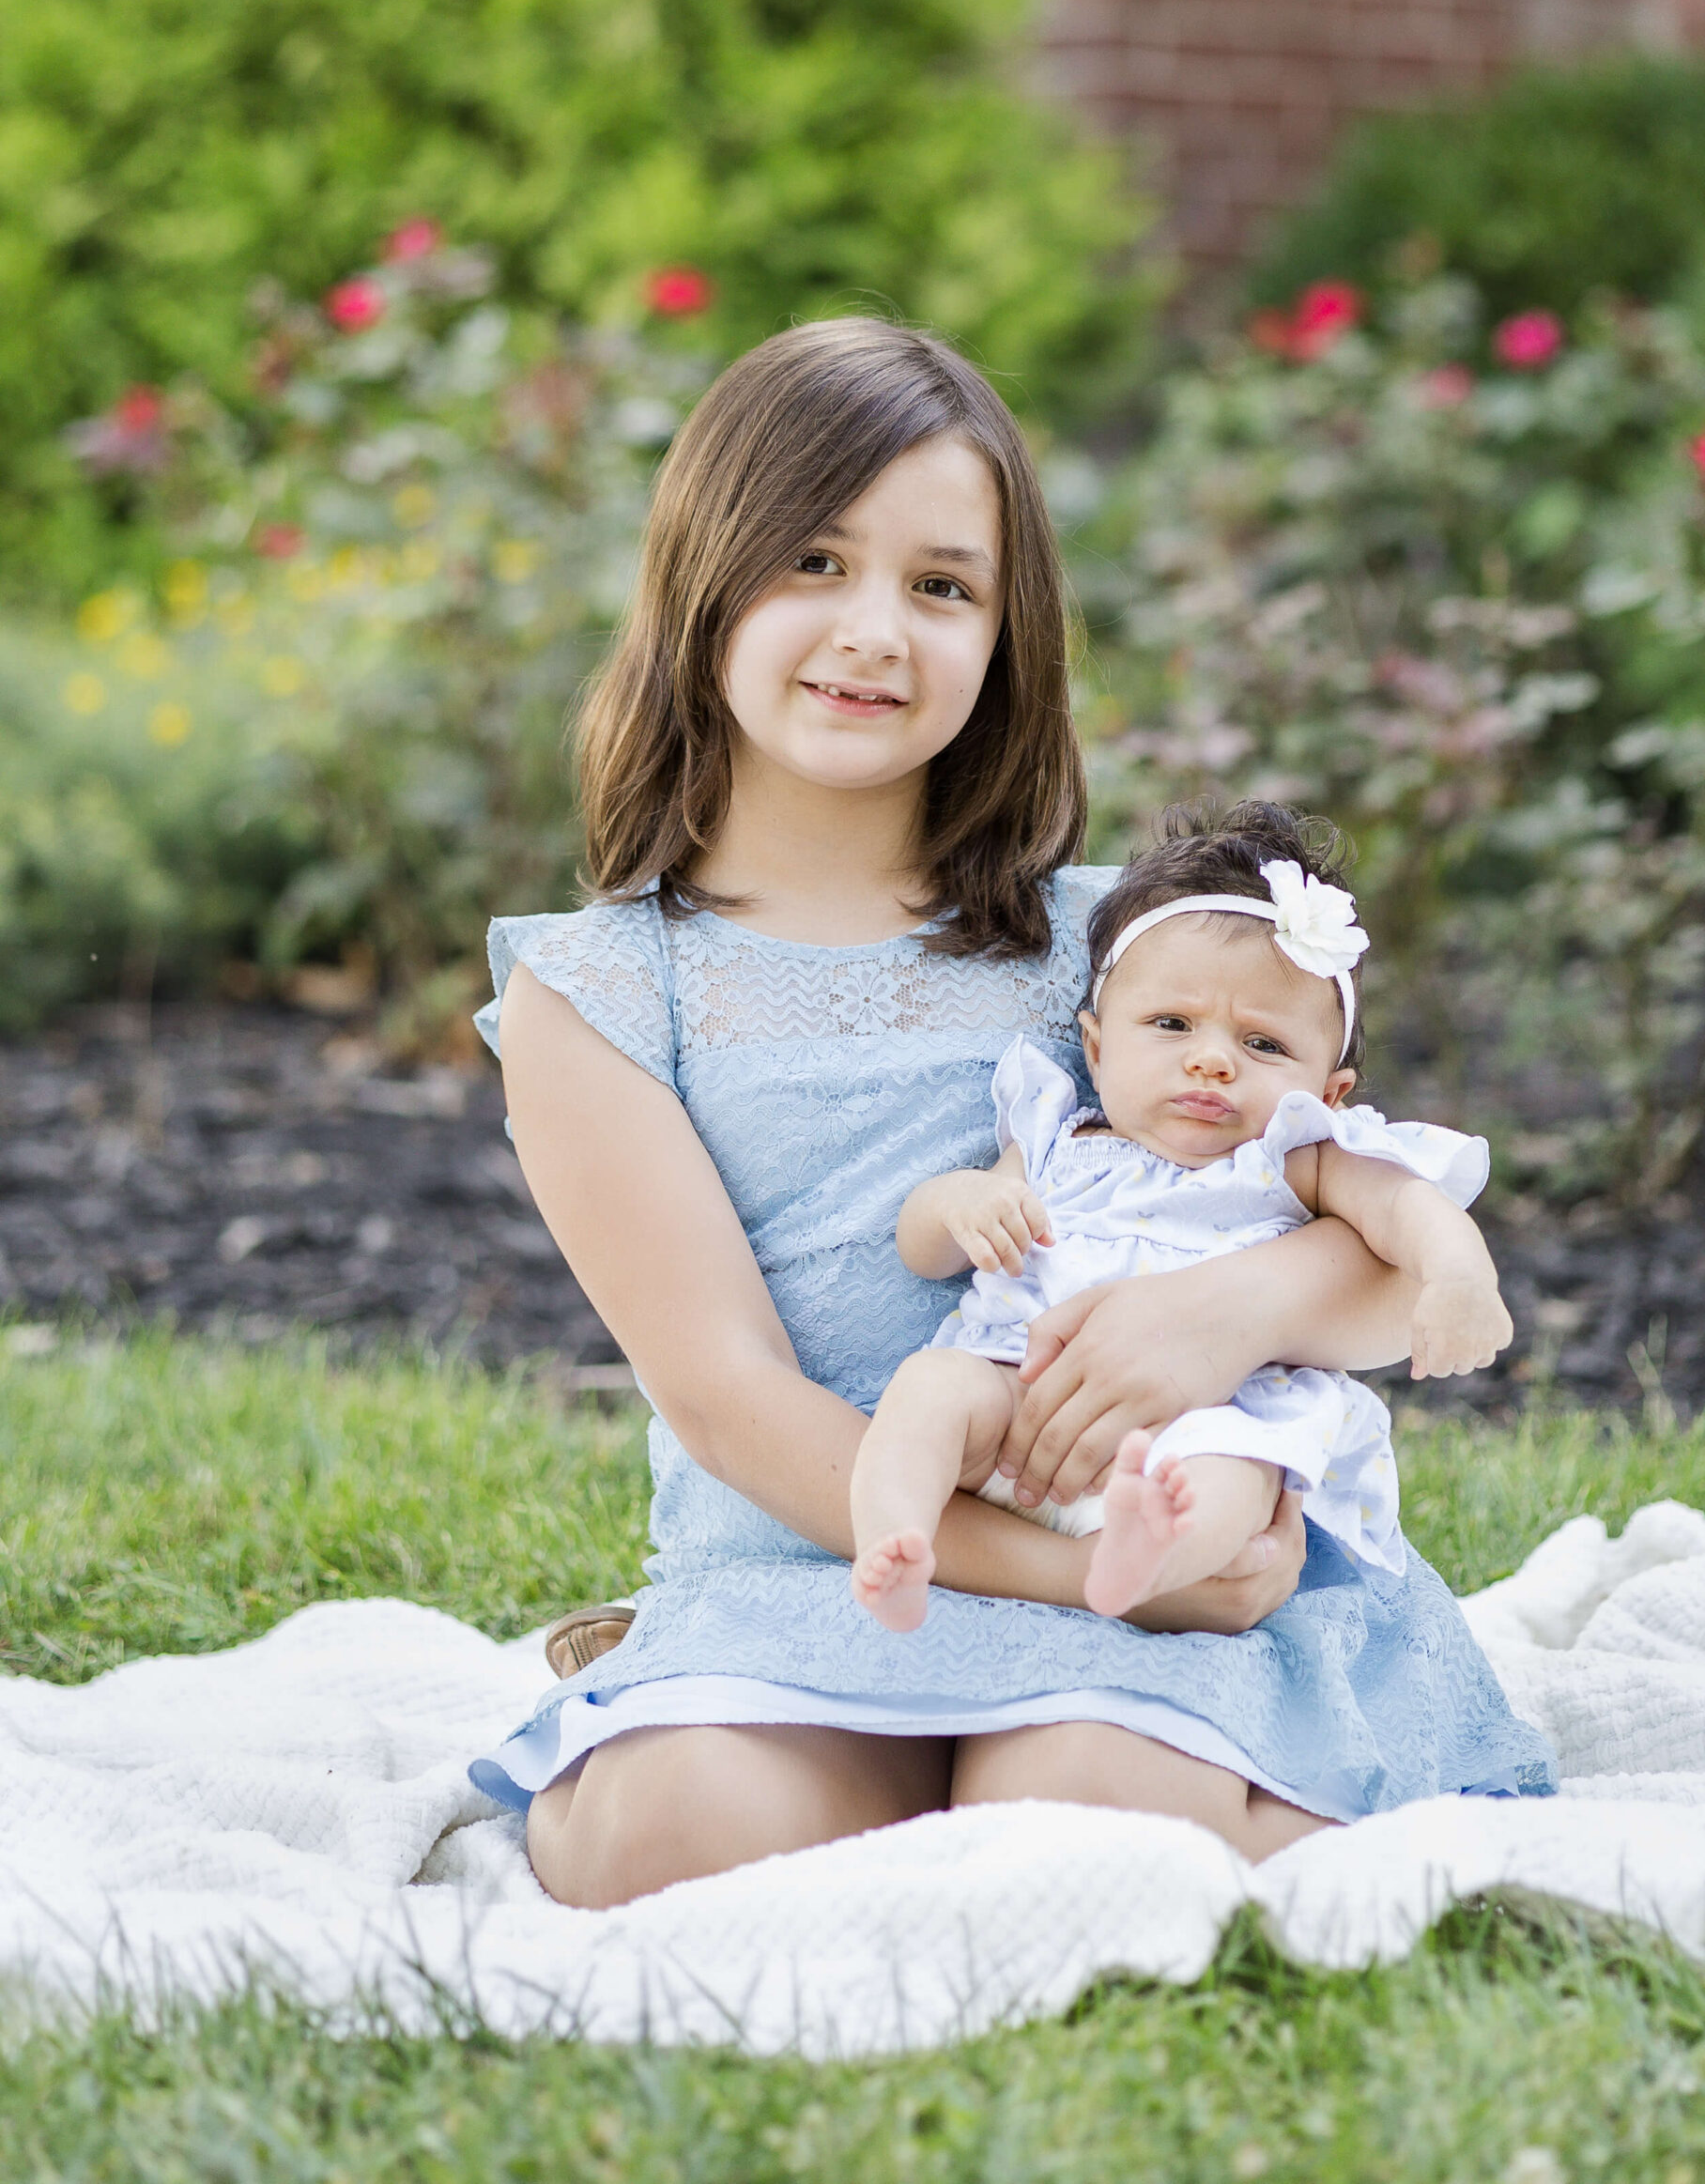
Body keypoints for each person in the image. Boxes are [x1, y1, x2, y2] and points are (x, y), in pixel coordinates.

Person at [467, 316, 1556, 1910]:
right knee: (675, 1836)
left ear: (1005, 630)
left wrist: (1217, 1315)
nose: (872, 631)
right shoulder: (604, 993)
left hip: (1166, 1537)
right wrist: (1082, 1583)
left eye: (939, 585)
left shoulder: (1114, 950)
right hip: (824, 1557)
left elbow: (1375, 1244)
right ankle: (679, 1721)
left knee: (1087, 1823)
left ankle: (1242, 1771)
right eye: (813, 563)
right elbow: (728, 1400)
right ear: (705, 582)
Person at [850, 806, 1509, 1633]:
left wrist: (1459, 1274)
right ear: (1096, 1049)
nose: (1212, 1059)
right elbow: (923, 1249)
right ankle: (898, 1540)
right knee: (928, 1389)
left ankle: (1143, 1557)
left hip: (1198, 1427)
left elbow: (1410, 1207)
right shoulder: (1057, 1139)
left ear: (1331, 1093)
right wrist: (962, 1204)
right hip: (1013, 1398)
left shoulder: (1294, 1156)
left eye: (1264, 1045)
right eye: (1171, 1025)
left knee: (1236, 1475)